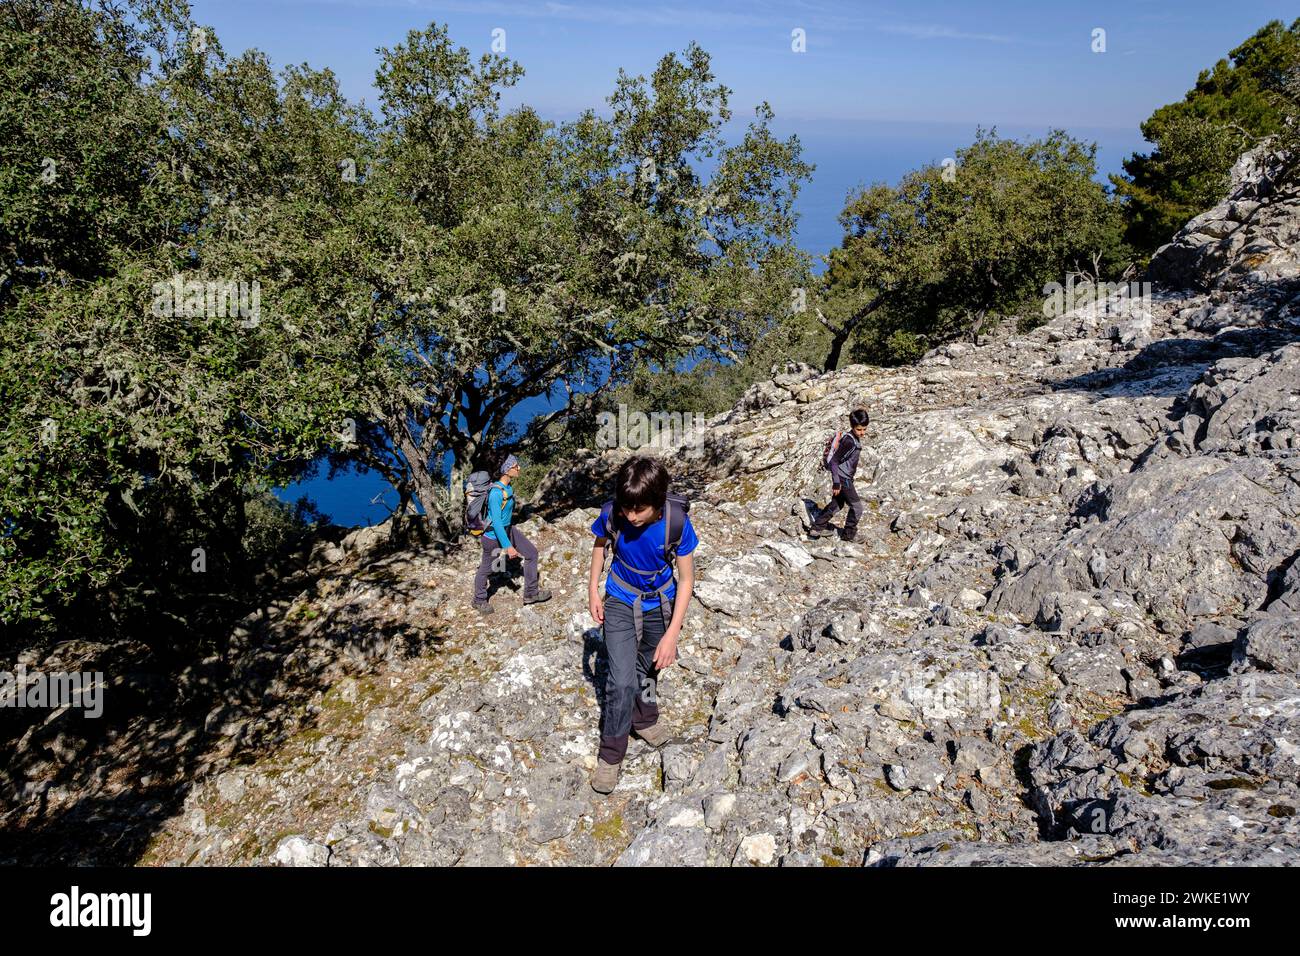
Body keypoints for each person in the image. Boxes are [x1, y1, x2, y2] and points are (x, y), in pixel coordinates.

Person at [587, 456, 697, 794]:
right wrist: (593, 588)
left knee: (649, 666)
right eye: (626, 509)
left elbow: (687, 579)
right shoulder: (613, 513)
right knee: (620, 682)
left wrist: (672, 634)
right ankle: (611, 754)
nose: (631, 517)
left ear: (659, 502)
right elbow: (600, 546)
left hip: (659, 603)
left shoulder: (676, 523)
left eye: (639, 510)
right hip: (620, 598)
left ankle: (644, 717)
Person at [472, 450, 551, 614]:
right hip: (493, 536)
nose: (519, 468)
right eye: (515, 466)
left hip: (508, 530)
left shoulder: (507, 488)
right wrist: (508, 546)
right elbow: (497, 523)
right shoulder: (495, 493)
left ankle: (531, 593)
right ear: (506, 470)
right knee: (487, 569)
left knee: (531, 553)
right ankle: (478, 599)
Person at [809, 408, 870, 542]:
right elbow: (834, 462)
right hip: (843, 479)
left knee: (837, 504)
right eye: (859, 429)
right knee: (857, 507)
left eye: (864, 429)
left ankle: (816, 528)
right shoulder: (849, 441)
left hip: (844, 478)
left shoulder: (853, 438)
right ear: (852, 426)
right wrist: (837, 482)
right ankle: (849, 535)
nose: (862, 433)